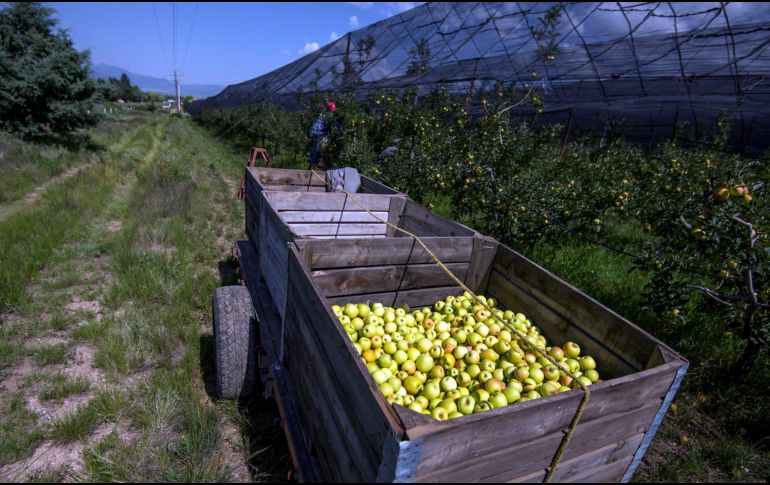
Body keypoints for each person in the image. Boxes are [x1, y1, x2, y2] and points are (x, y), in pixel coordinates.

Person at [309, 101, 337, 169]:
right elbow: (333, 126)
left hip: (314, 132)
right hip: (320, 133)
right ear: (330, 110)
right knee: (323, 148)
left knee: (315, 149)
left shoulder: (322, 114)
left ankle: (312, 163)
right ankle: (319, 163)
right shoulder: (329, 115)